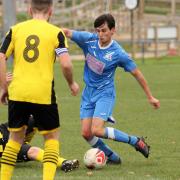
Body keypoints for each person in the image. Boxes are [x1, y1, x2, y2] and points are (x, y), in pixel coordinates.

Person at [63, 13, 160, 164]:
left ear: (113, 30)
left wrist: (150, 96)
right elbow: (67, 32)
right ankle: (112, 157)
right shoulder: (89, 40)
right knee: (86, 133)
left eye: (104, 30)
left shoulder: (118, 53)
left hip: (105, 93)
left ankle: (135, 141)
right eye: (98, 31)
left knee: (97, 130)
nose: (100, 34)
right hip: (88, 92)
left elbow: (137, 73)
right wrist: (46, 30)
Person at [0, 0, 79, 179]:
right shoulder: (56, 33)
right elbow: (66, 64)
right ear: (50, 11)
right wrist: (71, 83)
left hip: (18, 92)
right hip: (43, 94)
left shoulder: (15, 30)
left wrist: (3, 87)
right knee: (51, 140)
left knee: (14, 140)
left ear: (29, 10)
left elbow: (1, 56)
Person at [0, 116, 79, 173]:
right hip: (6, 147)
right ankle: (64, 163)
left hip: (4, 131)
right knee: (32, 151)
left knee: (33, 119)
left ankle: (24, 143)